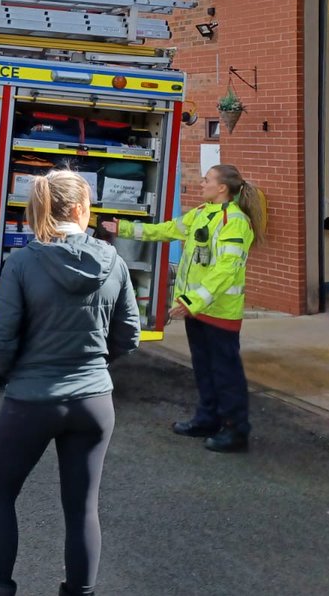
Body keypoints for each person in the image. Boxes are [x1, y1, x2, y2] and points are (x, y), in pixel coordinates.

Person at [0, 170, 139, 596]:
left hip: (31, 398)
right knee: (83, 507)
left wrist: (14, 372)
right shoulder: (114, 262)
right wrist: (95, 368)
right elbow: (128, 335)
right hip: (93, 401)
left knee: (0, 495)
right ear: (80, 209)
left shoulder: (23, 262)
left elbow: (0, 336)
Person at [102, 163, 266, 454]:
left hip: (219, 313)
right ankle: (207, 419)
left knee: (226, 373)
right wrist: (123, 228)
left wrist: (191, 301)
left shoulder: (235, 222)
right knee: (204, 368)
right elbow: (166, 230)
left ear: (222, 188)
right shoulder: (203, 213)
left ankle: (236, 430)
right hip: (198, 311)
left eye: (207, 180)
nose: (201, 184)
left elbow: (226, 270)